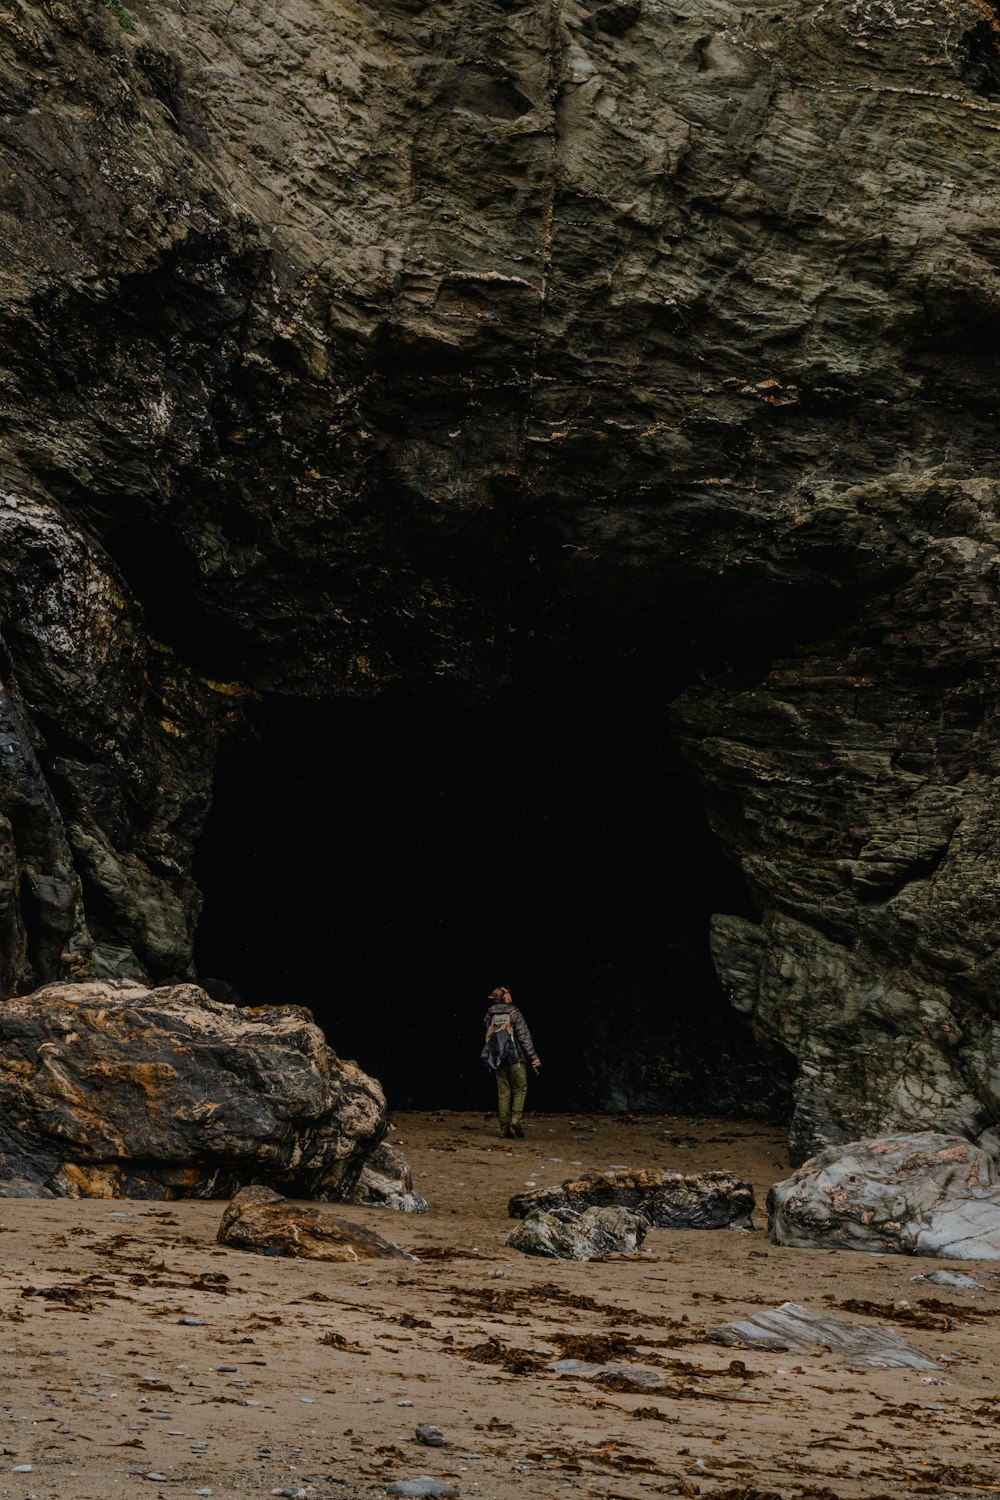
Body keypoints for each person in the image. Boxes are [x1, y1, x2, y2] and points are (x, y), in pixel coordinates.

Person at [481, 986, 541, 1138]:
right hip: (515, 1058)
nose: (510, 994)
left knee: (503, 1093)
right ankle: (515, 1120)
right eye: (508, 992)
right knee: (520, 1088)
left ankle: (503, 1128)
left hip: (498, 1060)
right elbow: (524, 1037)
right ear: (505, 997)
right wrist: (534, 1057)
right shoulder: (515, 1013)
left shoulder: (489, 1015)